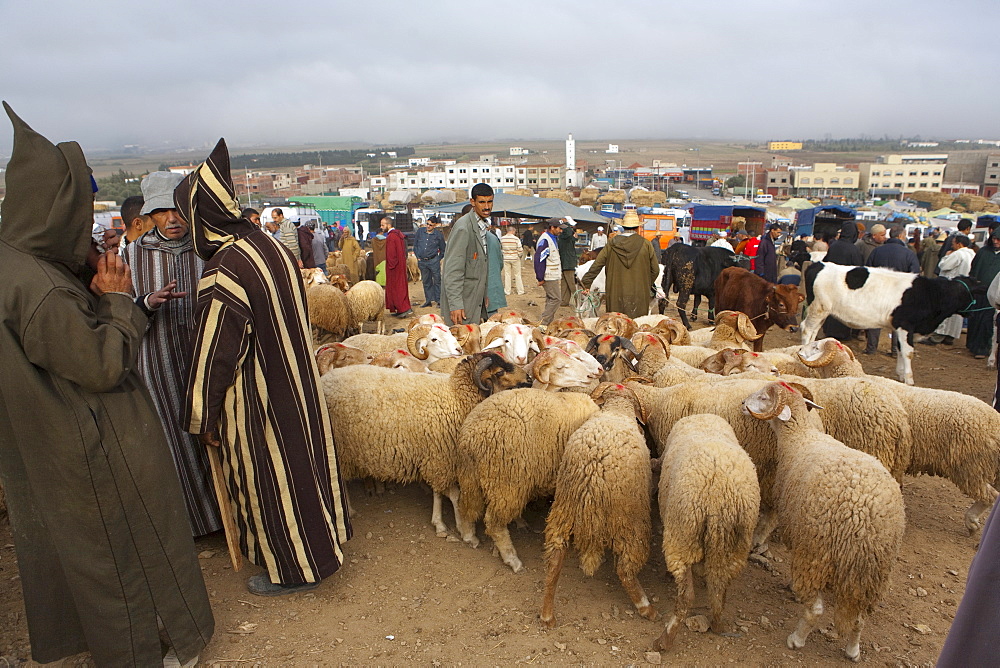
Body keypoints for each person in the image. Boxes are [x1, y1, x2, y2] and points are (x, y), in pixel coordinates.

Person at [0, 101, 213, 666]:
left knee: (96, 551)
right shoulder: (38, 289)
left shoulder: (22, 269)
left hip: (58, 442)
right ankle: (144, 649)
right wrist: (121, 301)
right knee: (123, 548)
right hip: (90, 444)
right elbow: (98, 364)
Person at [178, 138, 352, 596]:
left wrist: (202, 413)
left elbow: (217, 350)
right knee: (305, 461)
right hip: (296, 379)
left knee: (272, 473)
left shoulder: (223, 268)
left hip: (259, 393)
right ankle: (324, 543)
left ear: (203, 218)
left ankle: (296, 567)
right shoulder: (267, 244)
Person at [121, 170, 221, 537]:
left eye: (178, 209)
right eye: (162, 211)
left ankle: (235, 517)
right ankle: (197, 524)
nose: (173, 219)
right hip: (159, 357)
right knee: (175, 438)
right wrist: (146, 302)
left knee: (217, 430)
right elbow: (114, 308)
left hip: (207, 357)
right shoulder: (133, 254)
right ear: (149, 216)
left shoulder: (207, 247)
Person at [581, 211, 659, 319]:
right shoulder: (646, 244)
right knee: (636, 326)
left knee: (616, 325)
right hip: (639, 295)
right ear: (637, 228)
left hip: (615, 294)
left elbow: (597, 265)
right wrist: (646, 285)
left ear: (623, 227)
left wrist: (586, 283)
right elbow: (655, 269)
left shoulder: (611, 244)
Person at [864, 225, 920, 354]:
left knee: (875, 319)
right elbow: (915, 274)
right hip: (898, 293)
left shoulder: (877, 251)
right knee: (898, 321)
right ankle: (895, 350)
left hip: (878, 291)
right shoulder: (909, 254)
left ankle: (871, 348)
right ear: (901, 236)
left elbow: (868, 270)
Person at [442, 184, 492, 325]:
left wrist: (483, 295)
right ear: (473, 202)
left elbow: (480, 266)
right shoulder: (464, 228)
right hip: (463, 304)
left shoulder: (481, 226)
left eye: (490, 201)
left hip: (475, 299)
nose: (487, 206)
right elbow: (452, 270)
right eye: (482, 202)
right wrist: (455, 304)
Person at [920, 234, 975, 346]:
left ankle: (937, 337)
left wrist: (946, 256)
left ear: (959, 244)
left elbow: (944, 266)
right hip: (963, 286)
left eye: (953, 243)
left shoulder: (958, 254)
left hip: (951, 286)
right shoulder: (972, 254)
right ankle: (950, 337)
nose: (951, 245)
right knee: (956, 313)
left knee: (945, 311)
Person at [822, 220, 864, 341]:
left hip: (832, 283)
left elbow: (826, 262)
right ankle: (842, 334)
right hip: (846, 285)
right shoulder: (853, 249)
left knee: (831, 309)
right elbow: (858, 268)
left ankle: (828, 330)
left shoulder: (834, 246)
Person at [967, 228, 1000, 359]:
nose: (996, 242)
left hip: (994, 295)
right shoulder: (983, 252)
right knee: (975, 318)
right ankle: (973, 345)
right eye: (994, 239)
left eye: (999, 239)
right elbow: (974, 269)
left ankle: (983, 348)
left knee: (988, 322)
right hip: (979, 292)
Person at [381, 216, 412, 317]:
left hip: (394, 268)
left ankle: (402, 308)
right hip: (400, 265)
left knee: (396, 287)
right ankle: (400, 308)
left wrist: (390, 266)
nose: (381, 227)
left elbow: (391, 255)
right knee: (401, 286)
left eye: (383, 225)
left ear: (389, 225)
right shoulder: (398, 235)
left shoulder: (391, 237)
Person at [535, 218, 563, 325]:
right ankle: (543, 323)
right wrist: (540, 277)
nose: (561, 231)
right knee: (556, 299)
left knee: (550, 299)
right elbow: (539, 260)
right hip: (549, 275)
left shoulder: (553, 238)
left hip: (553, 274)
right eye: (559, 228)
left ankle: (547, 323)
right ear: (552, 228)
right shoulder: (545, 240)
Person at [413, 216, 446, 306]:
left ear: (435, 225)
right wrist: (418, 257)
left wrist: (438, 259)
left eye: (431, 225)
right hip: (422, 261)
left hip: (433, 260)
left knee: (437, 280)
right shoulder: (420, 232)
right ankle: (428, 300)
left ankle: (439, 300)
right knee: (426, 281)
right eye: (427, 224)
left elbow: (443, 249)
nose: (428, 226)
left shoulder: (438, 235)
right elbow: (415, 245)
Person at [485, 222, 507, 318]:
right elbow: (500, 262)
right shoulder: (494, 239)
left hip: (483, 286)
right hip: (492, 283)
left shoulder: (476, 238)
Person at [558, 218, 579, 307]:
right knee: (571, 283)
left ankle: (564, 300)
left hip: (564, 261)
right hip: (569, 262)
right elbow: (570, 236)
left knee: (565, 282)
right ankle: (578, 301)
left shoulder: (562, 236)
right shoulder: (569, 233)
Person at [500, 225, 525, 295]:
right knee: (517, 275)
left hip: (506, 258)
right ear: (512, 231)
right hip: (515, 258)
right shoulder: (516, 239)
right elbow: (520, 250)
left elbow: (500, 248)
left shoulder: (502, 239)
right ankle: (520, 291)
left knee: (507, 275)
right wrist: (519, 256)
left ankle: (507, 291)